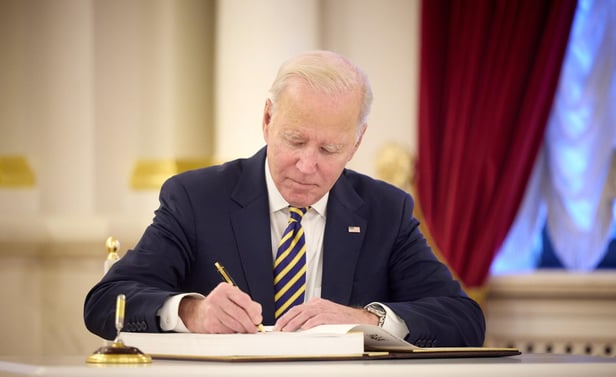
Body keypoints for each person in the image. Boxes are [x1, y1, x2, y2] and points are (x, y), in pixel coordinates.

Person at [84, 50, 486, 346]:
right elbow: (104, 302)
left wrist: (367, 320)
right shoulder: (196, 198)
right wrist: (193, 312)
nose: (307, 165)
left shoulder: (385, 211)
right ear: (267, 120)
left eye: (330, 150)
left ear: (357, 141)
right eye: (295, 140)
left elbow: (464, 319)